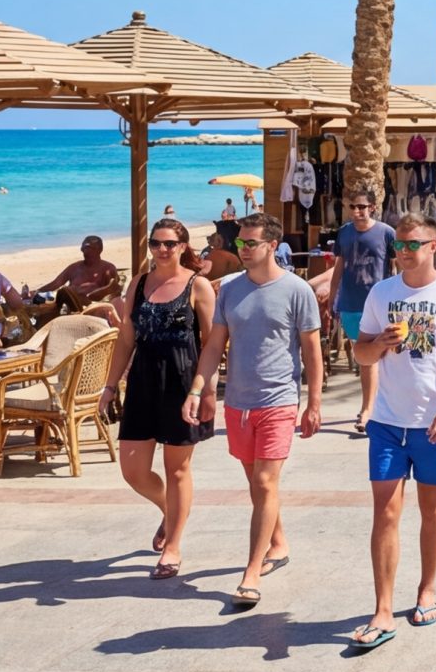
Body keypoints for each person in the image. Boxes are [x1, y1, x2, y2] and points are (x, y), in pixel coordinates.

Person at [349, 213, 436, 648]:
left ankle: (427, 588)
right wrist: (379, 345)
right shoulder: (381, 292)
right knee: (385, 512)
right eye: (399, 245)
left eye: (413, 245)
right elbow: (362, 355)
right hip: (388, 422)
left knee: (432, 510)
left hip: (434, 424)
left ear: (433, 245)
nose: (403, 252)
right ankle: (383, 609)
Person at [187, 212, 323, 607]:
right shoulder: (230, 291)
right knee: (257, 484)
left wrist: (313, 403)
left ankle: (250, 572)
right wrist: (199, 388)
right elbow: (214, 346)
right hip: (239, 402)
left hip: (279, 399)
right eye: (240, 243)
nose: (242, 250)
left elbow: (311, 351)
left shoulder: (297, 291)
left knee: (264, 483)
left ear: (272, 246)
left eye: (251, 243)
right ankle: (278, 543)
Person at [102, 219, 217, 580]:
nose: (162, 250)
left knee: (177, 468)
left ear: (183, 246)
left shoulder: (198, 286)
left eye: (169, 243)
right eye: (156, 243)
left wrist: (206, 390)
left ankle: (173, 546)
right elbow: (125, 340)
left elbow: (213, 344)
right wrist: (109, 387)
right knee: (133, 471)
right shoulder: (137, 284)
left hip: (183, 384)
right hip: (142, 382)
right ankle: (170, 510)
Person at [313, 192, 398, 434]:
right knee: (365, 358)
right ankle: (373, 407)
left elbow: (396, 264)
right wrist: (332, 296)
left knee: (377, 359)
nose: (357, 211)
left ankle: (368, 410)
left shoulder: (386, 232)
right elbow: (339, 266)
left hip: (379, 303)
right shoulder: (345, 232)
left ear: (372, 207)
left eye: (361, 206)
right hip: (350, 303)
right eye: (352, 206)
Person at [38, 236, 122, 310]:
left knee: (64, 291)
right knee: (43, 297)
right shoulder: (74, 268)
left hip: (91, 305)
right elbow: (55, 283)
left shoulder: (107, 268)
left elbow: (114, 289)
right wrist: (38, 291)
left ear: (100, 250)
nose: (88, 251)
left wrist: (91, 295)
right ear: (82, 249)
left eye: (92, 248)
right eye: (86, 248)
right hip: (68, 302)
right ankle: (35, 298)